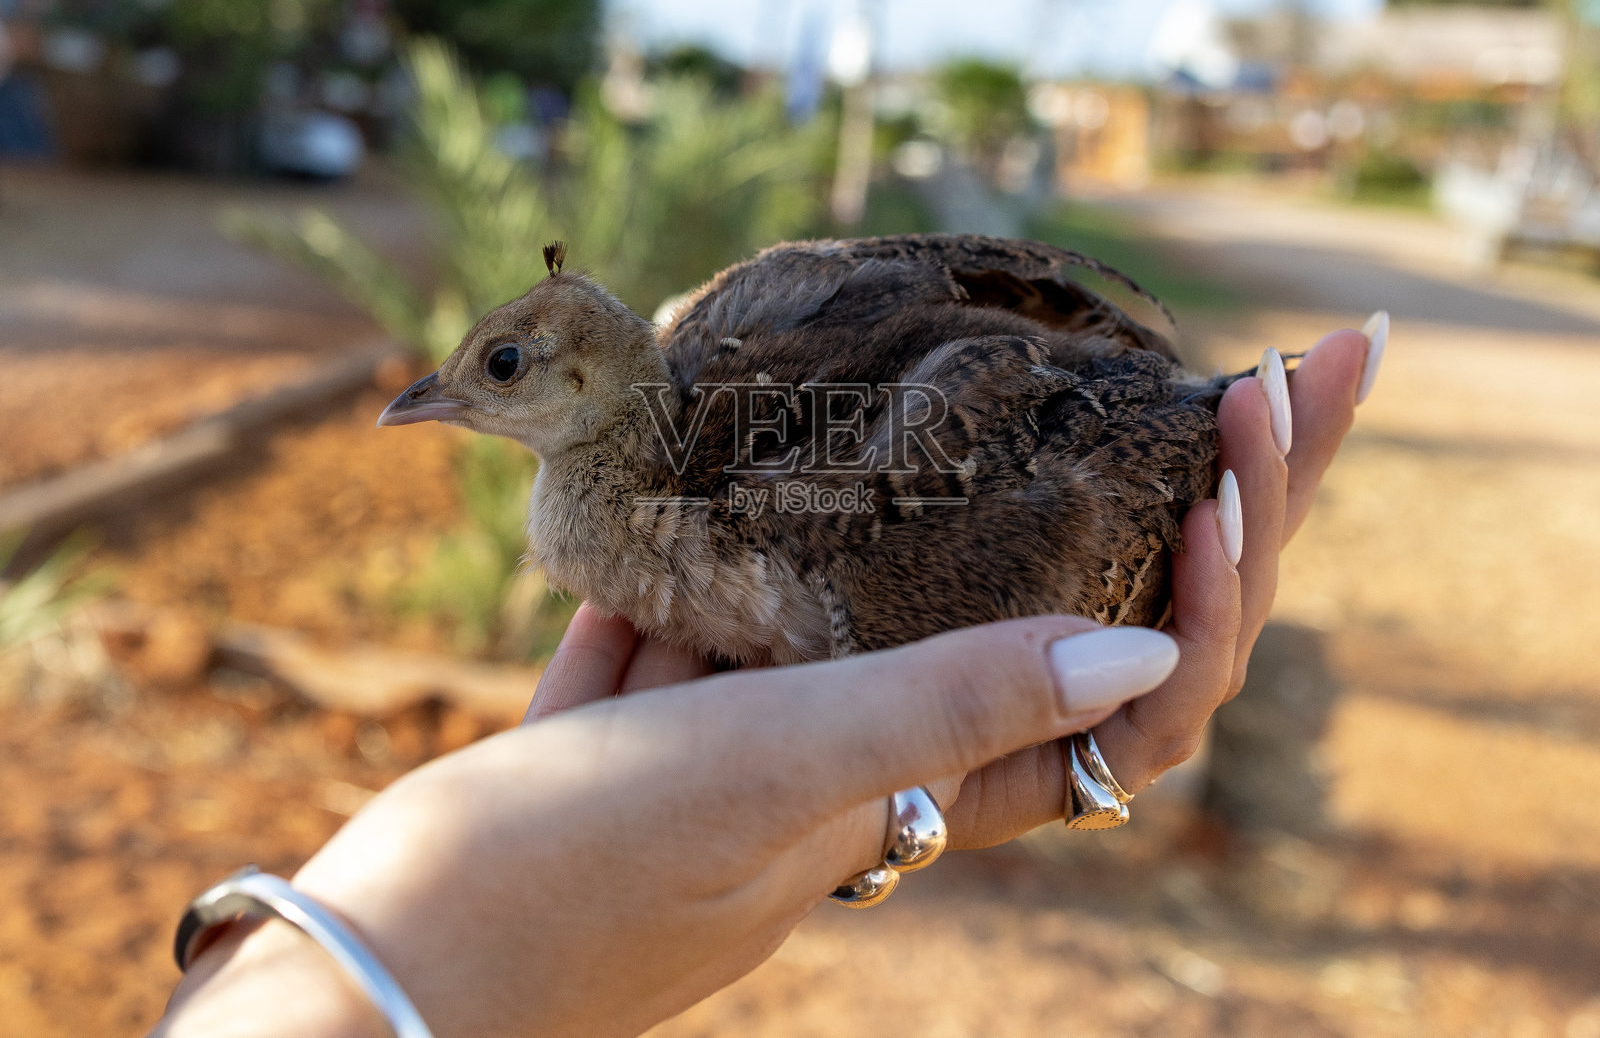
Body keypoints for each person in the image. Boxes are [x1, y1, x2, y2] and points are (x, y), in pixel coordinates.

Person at [150, 324, 1378, 1038]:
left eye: (504, 365)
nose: (434, 396)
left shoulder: (856, 539)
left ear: (583, 382)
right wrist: (470, 954)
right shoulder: (667, 479)